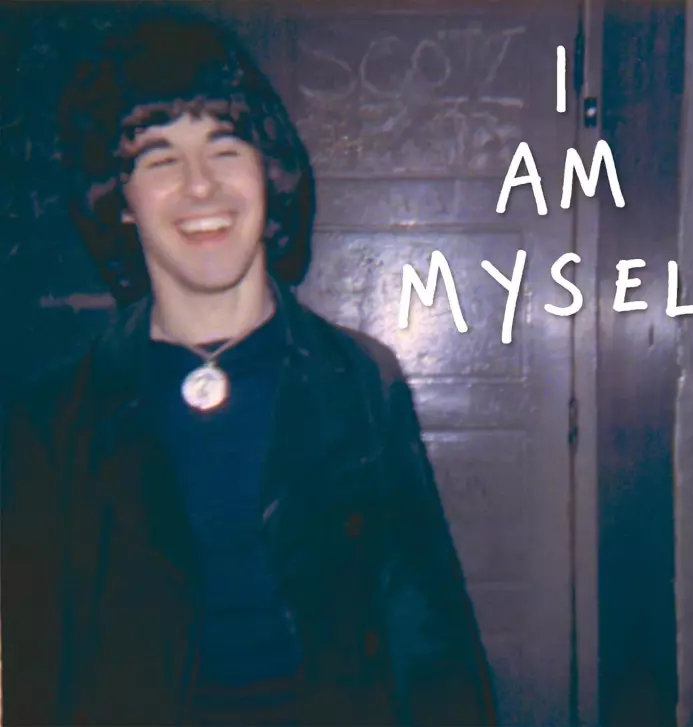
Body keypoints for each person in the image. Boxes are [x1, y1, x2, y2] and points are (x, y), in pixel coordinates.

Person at [0, 9, 498, 727]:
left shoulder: (360, 381)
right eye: (160, 159)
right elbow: (33, 657)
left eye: (225, 148)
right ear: (122, 199)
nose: (200, 186)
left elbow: (430, 638)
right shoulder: (55, 416)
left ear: (267, 173)